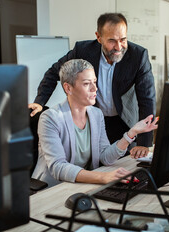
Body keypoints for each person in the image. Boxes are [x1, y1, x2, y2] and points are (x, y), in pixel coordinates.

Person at [28, 13, 156, 158]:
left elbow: (147, 99)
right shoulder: (83, 50)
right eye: (112, 41)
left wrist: (144, 142)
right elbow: (53, 73)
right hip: (94, 121)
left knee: (125, 166)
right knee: (96, 162)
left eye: (123, 39)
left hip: (124, 122)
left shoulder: (138, 56)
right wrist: (39, 102)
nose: (119, 46)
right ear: (99, 37)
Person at [31, 59, 158, 187]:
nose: (94, 88)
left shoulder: (96, 114)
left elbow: (105, 157)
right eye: (87, 84)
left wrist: (132, 133)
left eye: (95, 82)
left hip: (83, 185)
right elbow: (58, 167)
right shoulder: (50, 118)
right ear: (68, 88)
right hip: (52, 189)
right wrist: (103, 177)